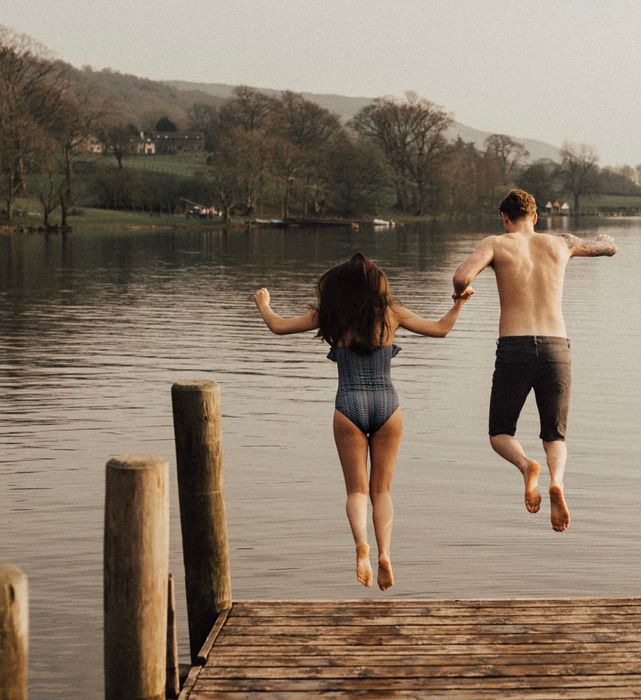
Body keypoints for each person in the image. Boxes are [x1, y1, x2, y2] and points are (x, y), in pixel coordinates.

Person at [252, 253, 473, 590]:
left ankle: (362, 547)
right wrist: (458, 304)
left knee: (356, 490)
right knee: (382, 491)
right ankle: (385, 552)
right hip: (388, 406)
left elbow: (278, 326)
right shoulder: (391, 313)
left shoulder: (331, 314)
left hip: (348, 405)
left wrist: (263, 303)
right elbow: (441, 329)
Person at [452, 189, 617, 532]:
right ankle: (557, 481)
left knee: (499, 432)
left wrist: (461, 292)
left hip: (514, 346)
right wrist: (604, 239)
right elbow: (606, 248)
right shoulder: (562, 243)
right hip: (557, 347)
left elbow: (462, 276)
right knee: (555, 436)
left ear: (504, 218)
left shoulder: (496, 243)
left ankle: (528, 466)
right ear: (536, 217)